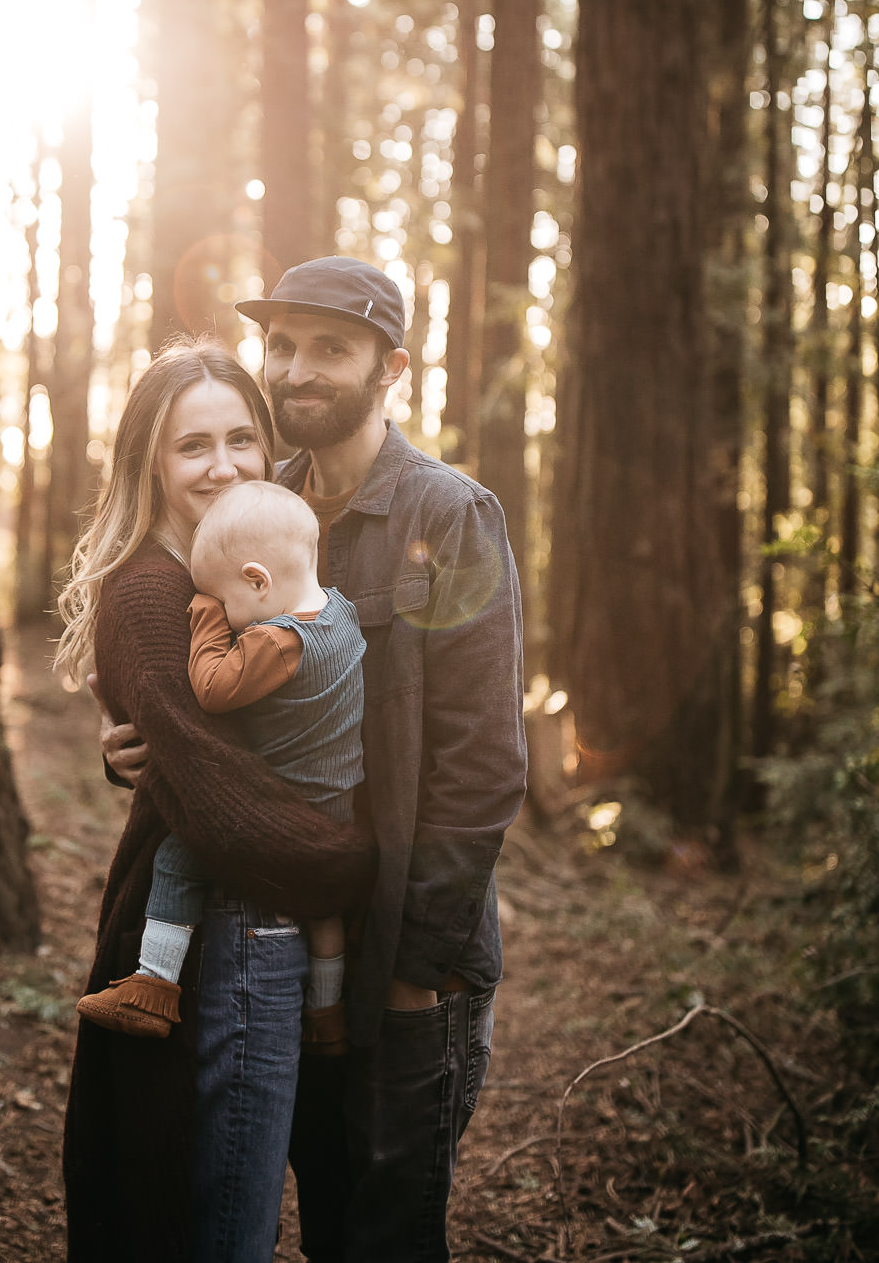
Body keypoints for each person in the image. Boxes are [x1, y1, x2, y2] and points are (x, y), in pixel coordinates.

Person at [100, 257, 527, 1263]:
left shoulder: (448, 516)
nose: (297, 369)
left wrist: (416, 969)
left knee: (380, 1235)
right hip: (284, 941)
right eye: (282, 345)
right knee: (298, 1202)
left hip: (406, 965)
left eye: (331, 348)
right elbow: (201, 678)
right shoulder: (256, 499)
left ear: (393, 369)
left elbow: (483, 767)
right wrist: (143, 745)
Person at [56, 339, 375, 1263]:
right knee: (208, 1220)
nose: (225, 463)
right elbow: (212, 793)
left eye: (243, 437)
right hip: (221, 935)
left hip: (245, 923)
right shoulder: (159, 592)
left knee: (225, 1205)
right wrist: (354, 861)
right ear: (150, 463)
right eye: (193, 445)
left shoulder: (258, 559)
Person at [75, 479, 365, 1052]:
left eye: (226, 598)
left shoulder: (277, 643)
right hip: (338, 798)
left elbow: (210, 689)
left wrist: (204, 613)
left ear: (258, 580)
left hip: (290, 799)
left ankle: (153, 986)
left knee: (178, 857)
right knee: (326, 910)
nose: (226, 615)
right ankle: (328, 1014)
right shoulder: (342, 613)